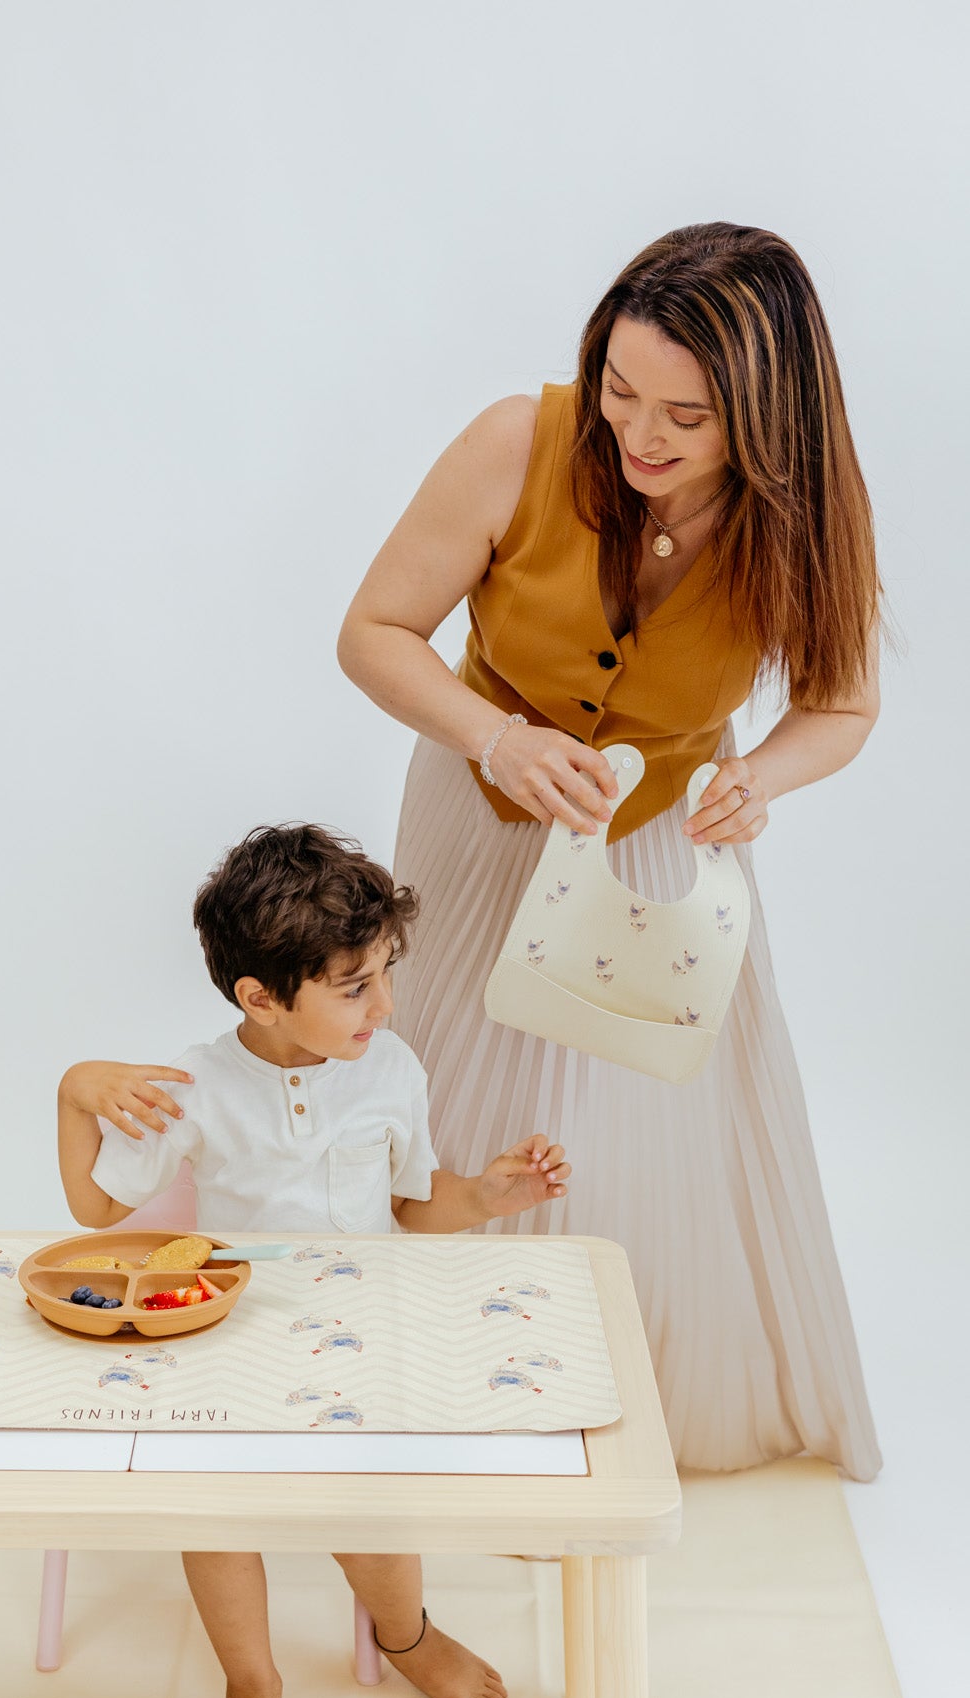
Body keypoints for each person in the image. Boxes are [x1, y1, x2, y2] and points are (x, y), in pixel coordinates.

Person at [337, 221, 883, 1483]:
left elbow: (841, 704)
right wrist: (493, 735)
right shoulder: (514, 442)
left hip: (662, 848)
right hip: (481, 819)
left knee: (626, 1115)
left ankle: (602, 1401)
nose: (639, 432)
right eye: (621, 390)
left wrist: (757, 773)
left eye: (685, 415)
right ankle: (440, 1382)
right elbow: (374, 630)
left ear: (767, 416)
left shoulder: (803, 513)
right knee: (456, 1090)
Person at [57, 823, 570, 1698]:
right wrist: (76, 1090)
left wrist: (486, 1197)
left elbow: (415, 1206)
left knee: (368, 1499)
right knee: (213, 1507)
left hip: (366, 1324)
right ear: (259, 997)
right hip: (234, 1329)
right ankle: (252, 1685)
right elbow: (95, 1210)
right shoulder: (197, 1086)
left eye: (384, 973)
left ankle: (406, 1633)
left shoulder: (392, 1069)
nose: (383, 1003)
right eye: (353, 985)